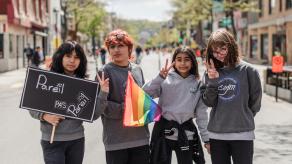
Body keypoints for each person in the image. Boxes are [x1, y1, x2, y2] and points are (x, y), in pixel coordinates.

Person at [200, 29, 262, 164]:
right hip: (217, 135)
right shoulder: (211, 72)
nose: (219, 54)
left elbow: (255, 102)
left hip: (243, 134)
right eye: (214, 51)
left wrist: (243, 116)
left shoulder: (249, 71)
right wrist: (213, 80)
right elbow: (208, 102)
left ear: (231, 46)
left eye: (222, 49)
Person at [143, 47, 210, 164]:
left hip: (186, 134)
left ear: (193, 62)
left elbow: (201, 114)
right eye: (179, 59)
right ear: (174, 61)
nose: (183, 63)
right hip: (163, 134)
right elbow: (144, 94)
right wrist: (159, 78)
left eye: (186, 59)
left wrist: (206, 139)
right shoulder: (165, 80)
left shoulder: (198, 84)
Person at [95, 29, 150, 164]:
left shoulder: (137, 69)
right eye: (112, 47)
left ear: (129, 48)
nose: (116, 50)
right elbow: (99, 107)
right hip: (116, 141)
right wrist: (128, 107)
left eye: (120, 46)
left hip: (141, 138)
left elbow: (142, 99)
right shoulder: (103, 72)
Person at [29, 41, 88, 164]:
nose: (72, 61)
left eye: (76, 57)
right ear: (60, 56)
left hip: (77, 140)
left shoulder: (84, 83)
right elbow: (31, 106)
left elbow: (93, 112)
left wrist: (103, 93)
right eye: (68, 56)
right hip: (52, 140)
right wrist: (45, 116)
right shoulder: (47, 78)